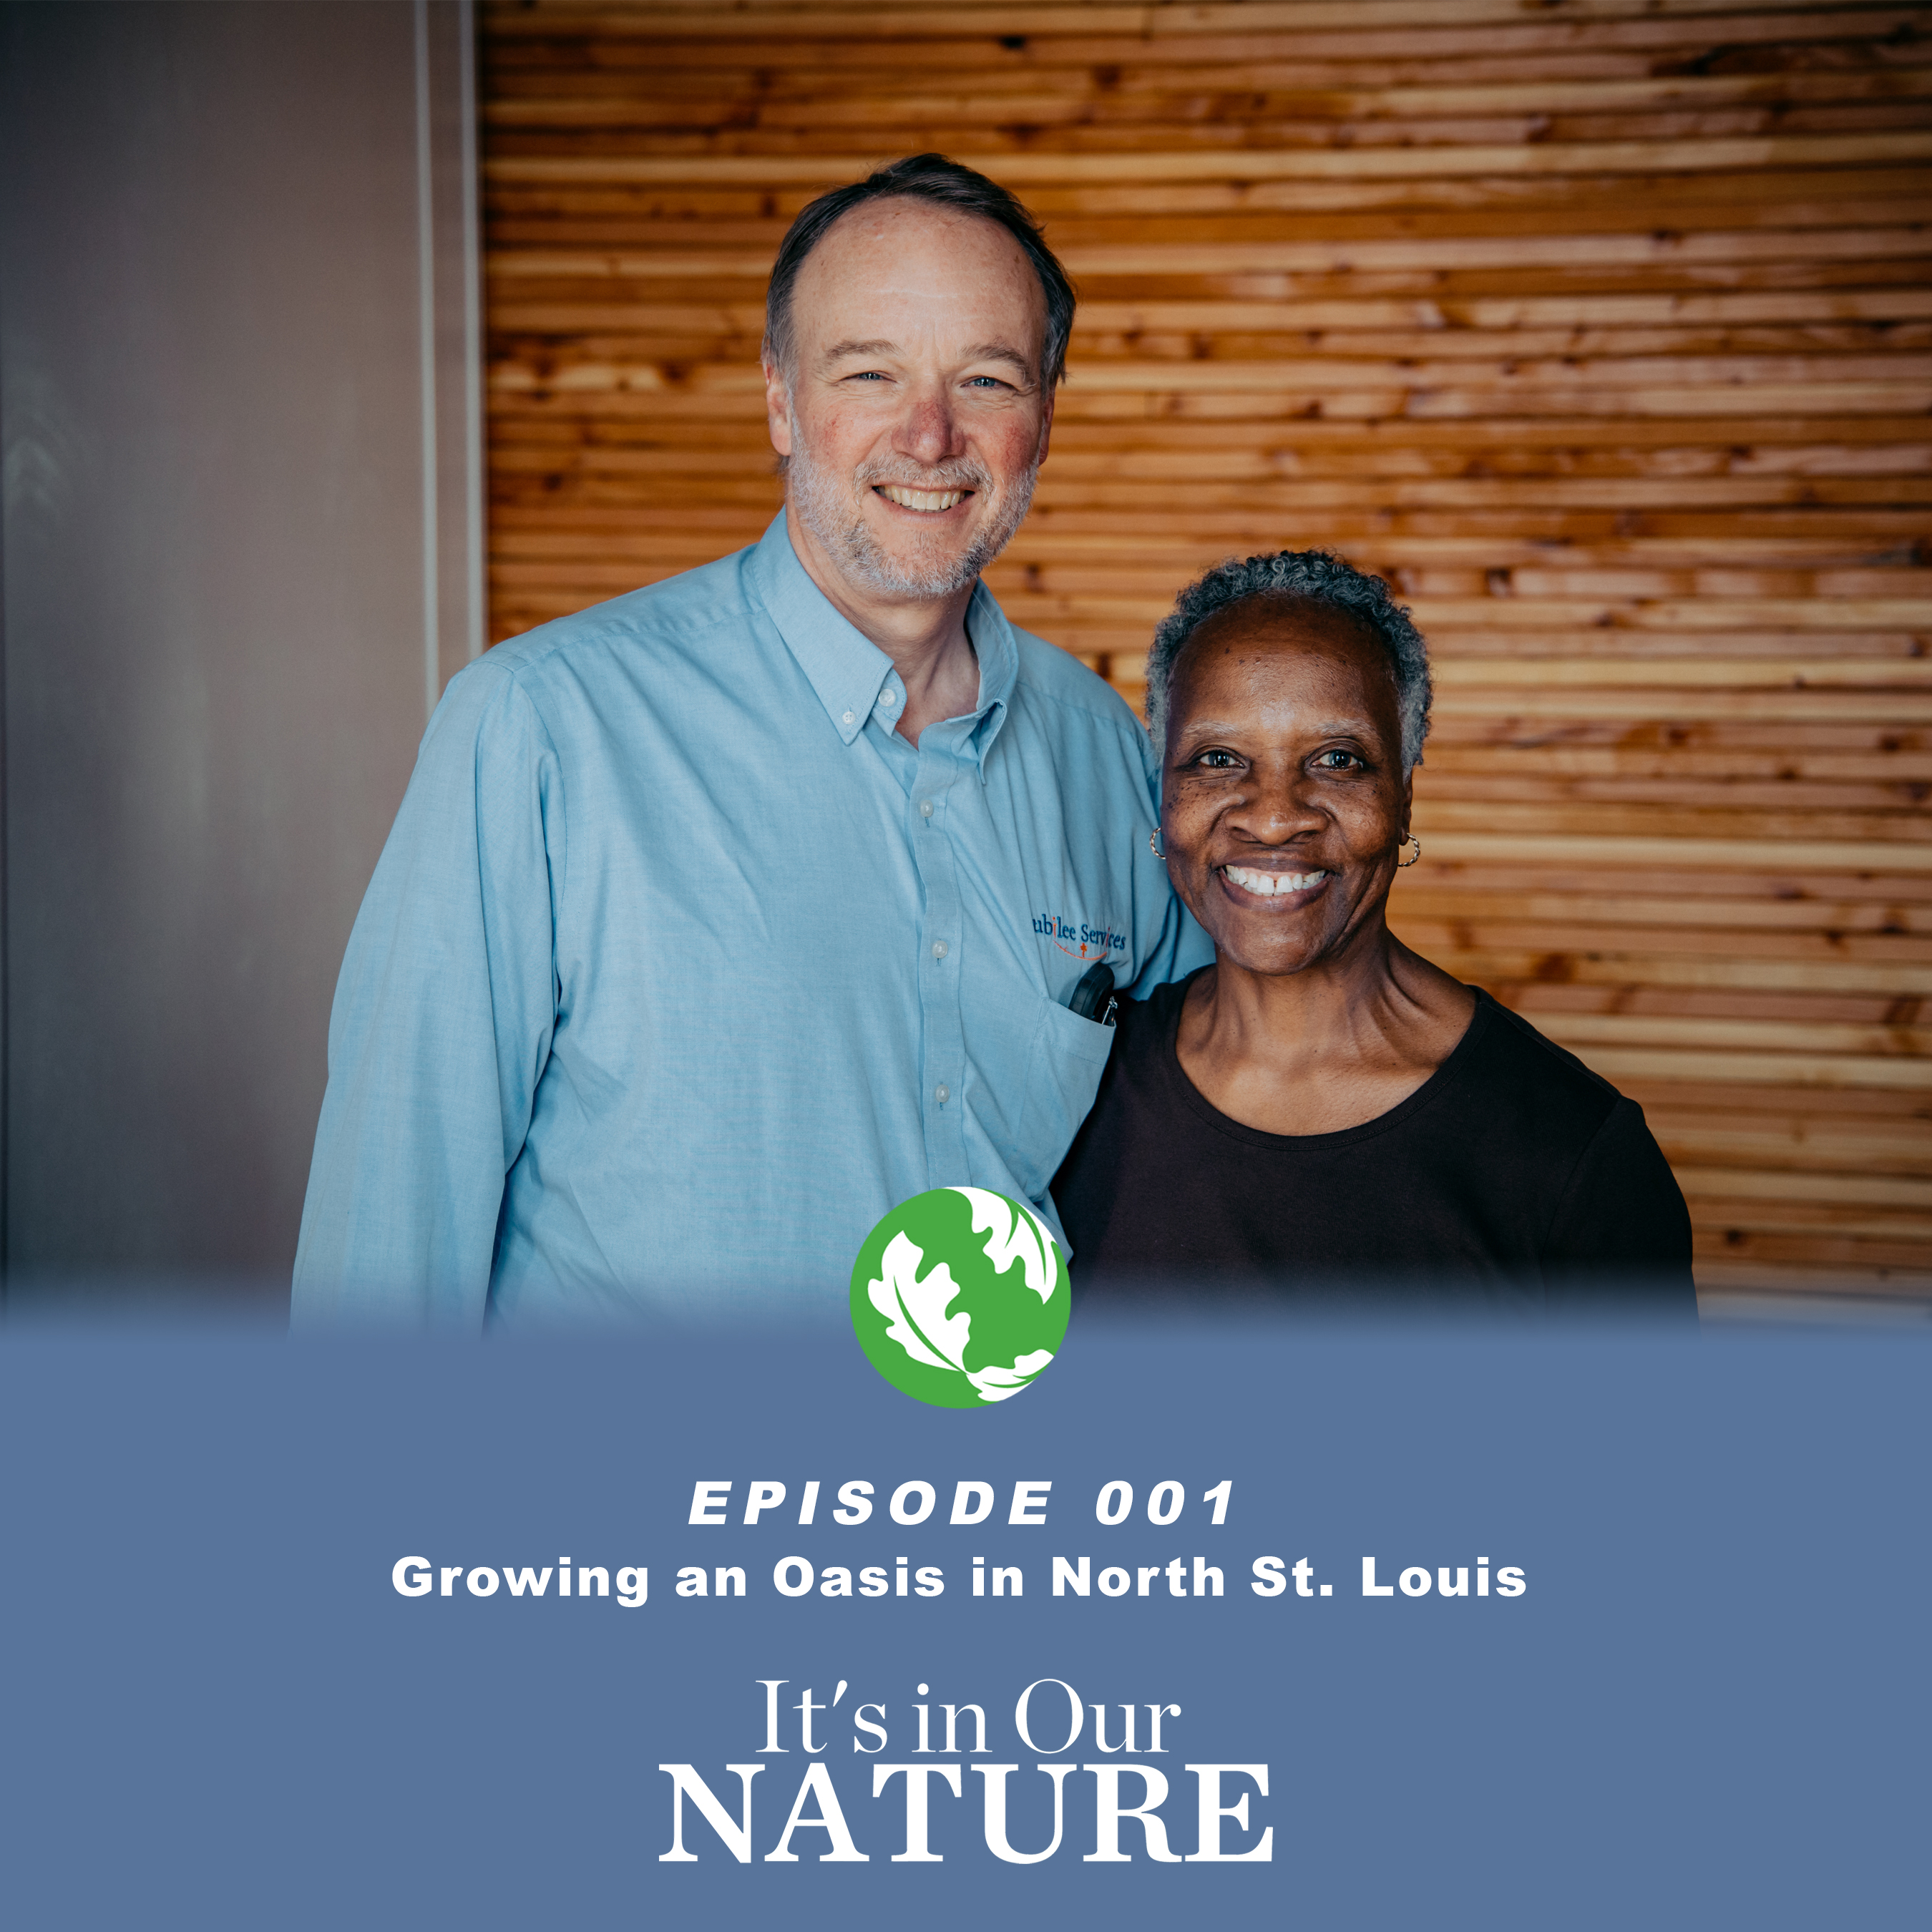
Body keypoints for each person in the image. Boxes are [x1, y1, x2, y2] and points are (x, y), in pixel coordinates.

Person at [293, 155, 1206, 1324]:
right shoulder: (538, 730)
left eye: (984, 378)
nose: (929, 436)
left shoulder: (1106, 759)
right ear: (780, 400)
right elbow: (388, 1248)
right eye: (870, 371)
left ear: (1044, 414)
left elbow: (1207, 1135)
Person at [1053, 551, 1695, 1306]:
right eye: (1219, 758)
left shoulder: (1572, 1158)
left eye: (1337, 759)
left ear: (1404, 800)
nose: (1273, 814)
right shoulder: (1081, 1094)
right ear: (1164, 799)